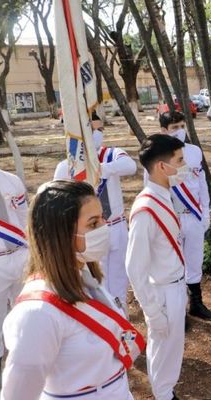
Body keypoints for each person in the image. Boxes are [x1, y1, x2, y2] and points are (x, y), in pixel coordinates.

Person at [1, 180, 143, 399]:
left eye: (102, 218)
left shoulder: (86, 276)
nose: (104, 227)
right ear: (62, 233)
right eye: (93, 223)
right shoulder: (36, 313)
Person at [126, 134, 188, 400]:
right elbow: (134, 267)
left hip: (174, 285)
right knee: (163, 351)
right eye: (180, 160)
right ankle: (164, 395)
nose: (184, 166)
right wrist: (152, 311)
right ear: (162, 166)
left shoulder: (163, 195)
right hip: (161, 292)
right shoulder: (146, 208)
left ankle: (167, 391)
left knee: (172, 349)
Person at [54, 114, 137, 310]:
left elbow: (130, 166)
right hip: (88, 233)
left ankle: (121, 316)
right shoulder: (67, 165)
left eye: (100, 129)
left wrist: (98, 169)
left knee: (119, 280)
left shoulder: (111, 154)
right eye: (93, 129)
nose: (97, 134)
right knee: (95, 281)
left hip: (115, 226)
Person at [158, 111, 211, 321]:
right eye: (174, 128)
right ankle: (178, 311)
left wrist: (205, 212)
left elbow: (201, 184)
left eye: (182, 126)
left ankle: (196, 303)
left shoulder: (193, 152)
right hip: (170, 217)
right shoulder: (156, 155)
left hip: (192, 214)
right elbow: (152, 188)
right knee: (173, 265)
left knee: (194, 260)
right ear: (164, 131)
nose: (179, 131)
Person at [0, 137, 28, 396]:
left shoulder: (11, 180)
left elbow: (24, 218)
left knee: (27, 319)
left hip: (21, 258)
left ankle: (26, 377)